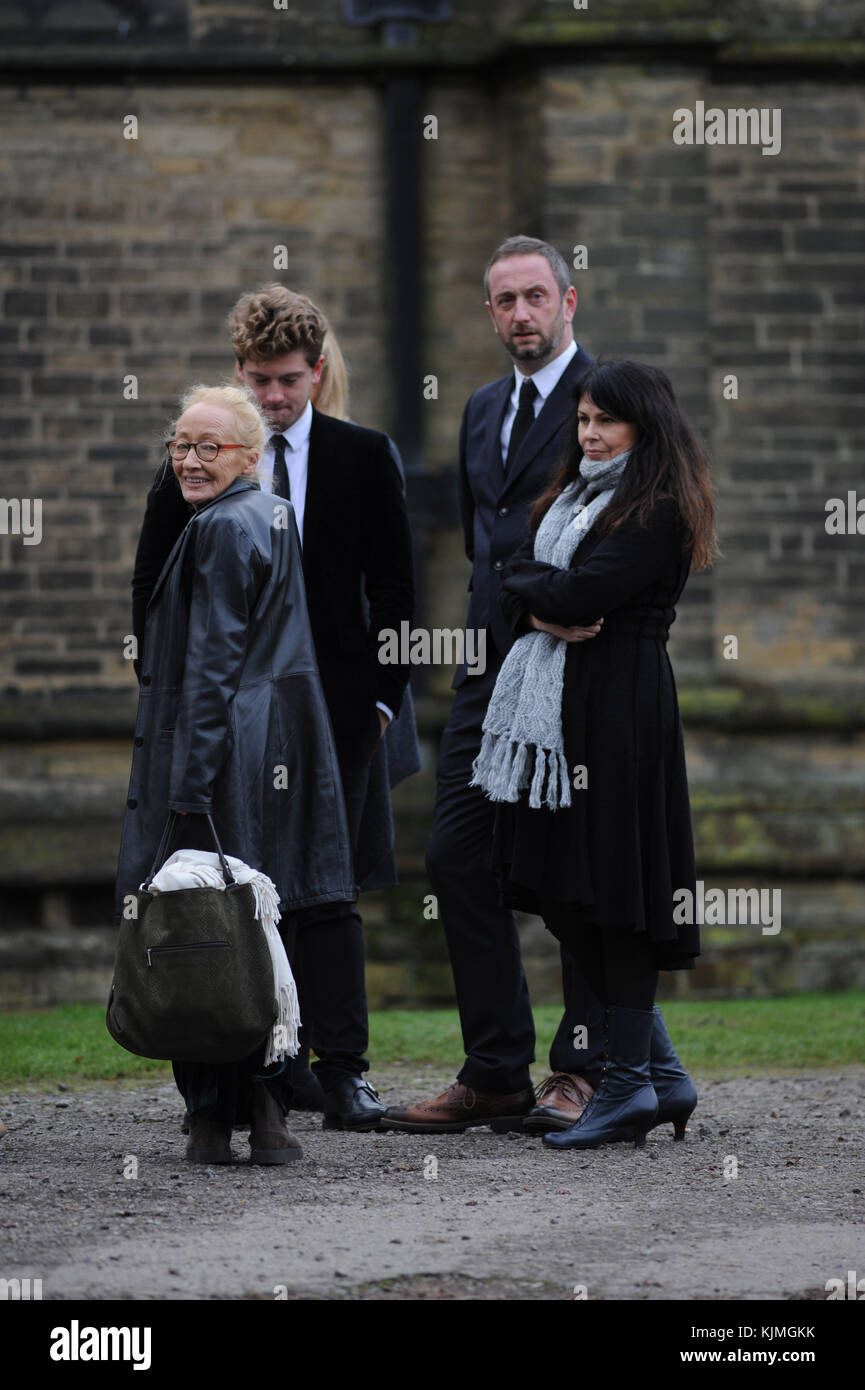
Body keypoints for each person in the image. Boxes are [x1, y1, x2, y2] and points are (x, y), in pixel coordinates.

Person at [130, 287, 415, 1131]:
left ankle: (347, 1069)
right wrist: (166, 689)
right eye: (257, 379)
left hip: (336, 712)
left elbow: (396, 588)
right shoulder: (195, 461)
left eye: (288, 380)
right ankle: (267, 1067)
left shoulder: (363, 456)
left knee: (328, 888)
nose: (272, 397)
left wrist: (381, 700)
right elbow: (151, 586)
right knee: (238, 879)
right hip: (226, 714)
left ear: (316, 372)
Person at [472, 358, 717, 1149]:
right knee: (563, 889)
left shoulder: (658, 508)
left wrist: (531, 586)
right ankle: (658, 1071)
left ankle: (624, 1086)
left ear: (643, 428)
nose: (588, 433)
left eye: (604, 421)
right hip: (560, 713)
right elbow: (524, 581)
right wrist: (531, 587)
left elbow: (576, 594)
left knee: (615, 889)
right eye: (581, 420)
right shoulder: (570, 499)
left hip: (619, 712)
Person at [384, 236, 595, 1134]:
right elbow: (484, 544)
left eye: (534, 297)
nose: (520, 315)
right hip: (486, 672)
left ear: (567, 302)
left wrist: (563, 605)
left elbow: (632, 526)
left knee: (576, 872)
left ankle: (582, 1070)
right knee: (455, 858)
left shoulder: (609, 399)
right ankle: (496, 1071)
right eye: (504, 301)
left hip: (575, 670)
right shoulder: (477, 409)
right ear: (489, 312)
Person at [115, 385, 356, 1164]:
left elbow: (213, 665)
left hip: (217, 751)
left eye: (208, 447)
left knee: (198, 919)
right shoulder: (271, 512)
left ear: (251, 456)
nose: (188, 459)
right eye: (178, 445)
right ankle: (267, 1108)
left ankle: (216, 1112)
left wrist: (188, 791)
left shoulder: (220, 528)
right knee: (257, 923)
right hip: (273, 747)